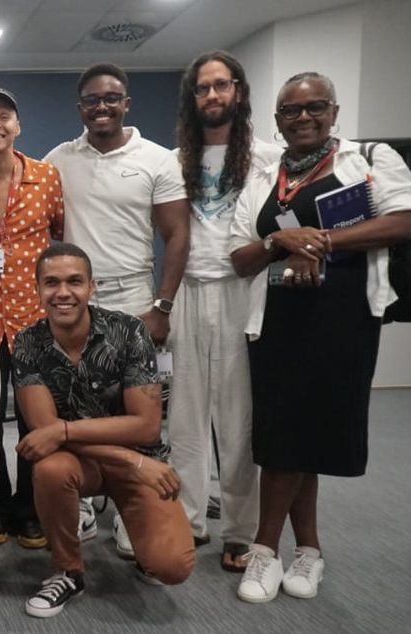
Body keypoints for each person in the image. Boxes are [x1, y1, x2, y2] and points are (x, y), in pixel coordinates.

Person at [227, 72, 411, 603]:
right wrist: (276, 239)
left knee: (310, 431)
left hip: (343, 319)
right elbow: (240, 258)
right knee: (283, 432)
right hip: (276, 322)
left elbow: (402, 222)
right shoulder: (264, 176)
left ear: (334, 111)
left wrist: (318, 243)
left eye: (315, 107)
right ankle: (307, 548)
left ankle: (265, 549)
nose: (303, 117)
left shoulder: (370, 159)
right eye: (291, 110)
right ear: (278, 121)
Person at [43, 63, 190, 556]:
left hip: (132, 297)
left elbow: (176, 234)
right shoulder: (59, 159)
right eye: (91, 99)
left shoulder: (158, 159)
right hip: (73, 297)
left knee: (138, 407)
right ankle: (80, 502)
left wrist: (162, 306)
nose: (101, 107)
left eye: (111, 98)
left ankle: (133, 503)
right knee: (71, 401)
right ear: (79, 106)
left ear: (126, 102)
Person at [14, 243, 195, 618]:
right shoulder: (27, 343)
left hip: (140, 458)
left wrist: (66, 433)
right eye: (51, 283)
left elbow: (145, 427)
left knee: (171, 567)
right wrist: (130, 460)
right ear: (37, 289)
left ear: (92, 287)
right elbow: (44, 435)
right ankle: (68, 571)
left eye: (74, 281)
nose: (63, 293)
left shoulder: (129, 332)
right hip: (89, 463)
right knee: (49, 469)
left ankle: (145, 547)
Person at [169, 51, 283, 572]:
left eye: (220, 85)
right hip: (189, 290)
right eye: (201, 88)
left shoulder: (268, 156)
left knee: (238, 420)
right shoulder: (176, 159)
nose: (211, 96)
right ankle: (189, 519)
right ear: (192, 99)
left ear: (238, 90)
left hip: (244, 289)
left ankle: (240, 530)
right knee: (186, 417)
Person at [0, 87, 64, 549]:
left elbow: (61, 238)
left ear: (18, 126)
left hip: (32, 322)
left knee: (32, 421)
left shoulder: (47, 177)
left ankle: (29, 509)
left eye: (5, 116)